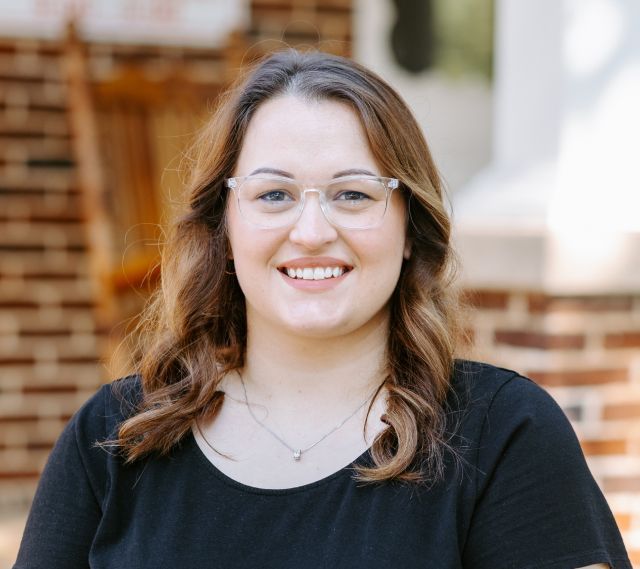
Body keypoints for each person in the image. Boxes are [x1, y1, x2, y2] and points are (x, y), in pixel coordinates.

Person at [14, 49, 631, 569]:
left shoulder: (505, 438)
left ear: (410, 226)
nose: (311, 231)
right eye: (275, 193)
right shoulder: (112, 441)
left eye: (353, 194)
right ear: (224, 226)